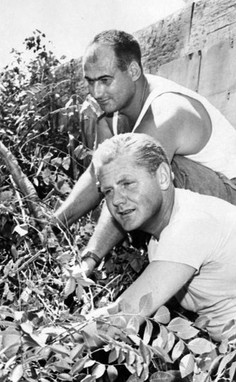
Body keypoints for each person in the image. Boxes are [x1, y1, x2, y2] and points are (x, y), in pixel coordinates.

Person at [52, 29, 236, 275]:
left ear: (134, 71)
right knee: (116, 176)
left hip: (229, 205)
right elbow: (97, 173)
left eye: (105, 80)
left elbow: (128, 180)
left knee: (148, 169)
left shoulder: (165, 111)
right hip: (202, 208)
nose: (96, 93)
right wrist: (53, 225)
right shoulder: (114, 114)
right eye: (90, 81)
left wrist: (89, 259)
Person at [88, 133, 236, 341]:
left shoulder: (190, 225)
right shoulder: (161, 237)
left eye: (127, 183)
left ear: (163, 176)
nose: (117, 200)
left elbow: (123, 316)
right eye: (108, 191)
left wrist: (49, 340)